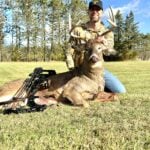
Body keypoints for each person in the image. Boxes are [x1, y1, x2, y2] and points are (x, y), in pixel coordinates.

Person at [66, 0, 126, 101]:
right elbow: (69, 49)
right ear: (88, 12)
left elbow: (108, 52)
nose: (95, 12)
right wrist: (71, 67)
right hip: (79, 69)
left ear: (101, 12)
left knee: (120, 90)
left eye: (97, 9)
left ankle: (97, 87)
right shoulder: (78, 30)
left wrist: (105, 44)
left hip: (96, 70)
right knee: (70, 89)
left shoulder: (107, 32)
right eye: (92, 9)